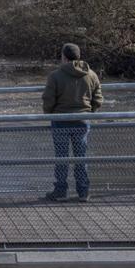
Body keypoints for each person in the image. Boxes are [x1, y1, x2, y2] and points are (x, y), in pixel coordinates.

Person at [41, 43, 103, 202]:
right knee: (81, 158)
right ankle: (83, 192)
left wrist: (50, 115)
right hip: (83, 121)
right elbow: (98, 99)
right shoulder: (91, 75)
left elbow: (48, 100)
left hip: (60, 121)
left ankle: (61, 191)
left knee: (61, 158)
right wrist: (89, 113)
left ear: (64, 57)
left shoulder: (55, 76)